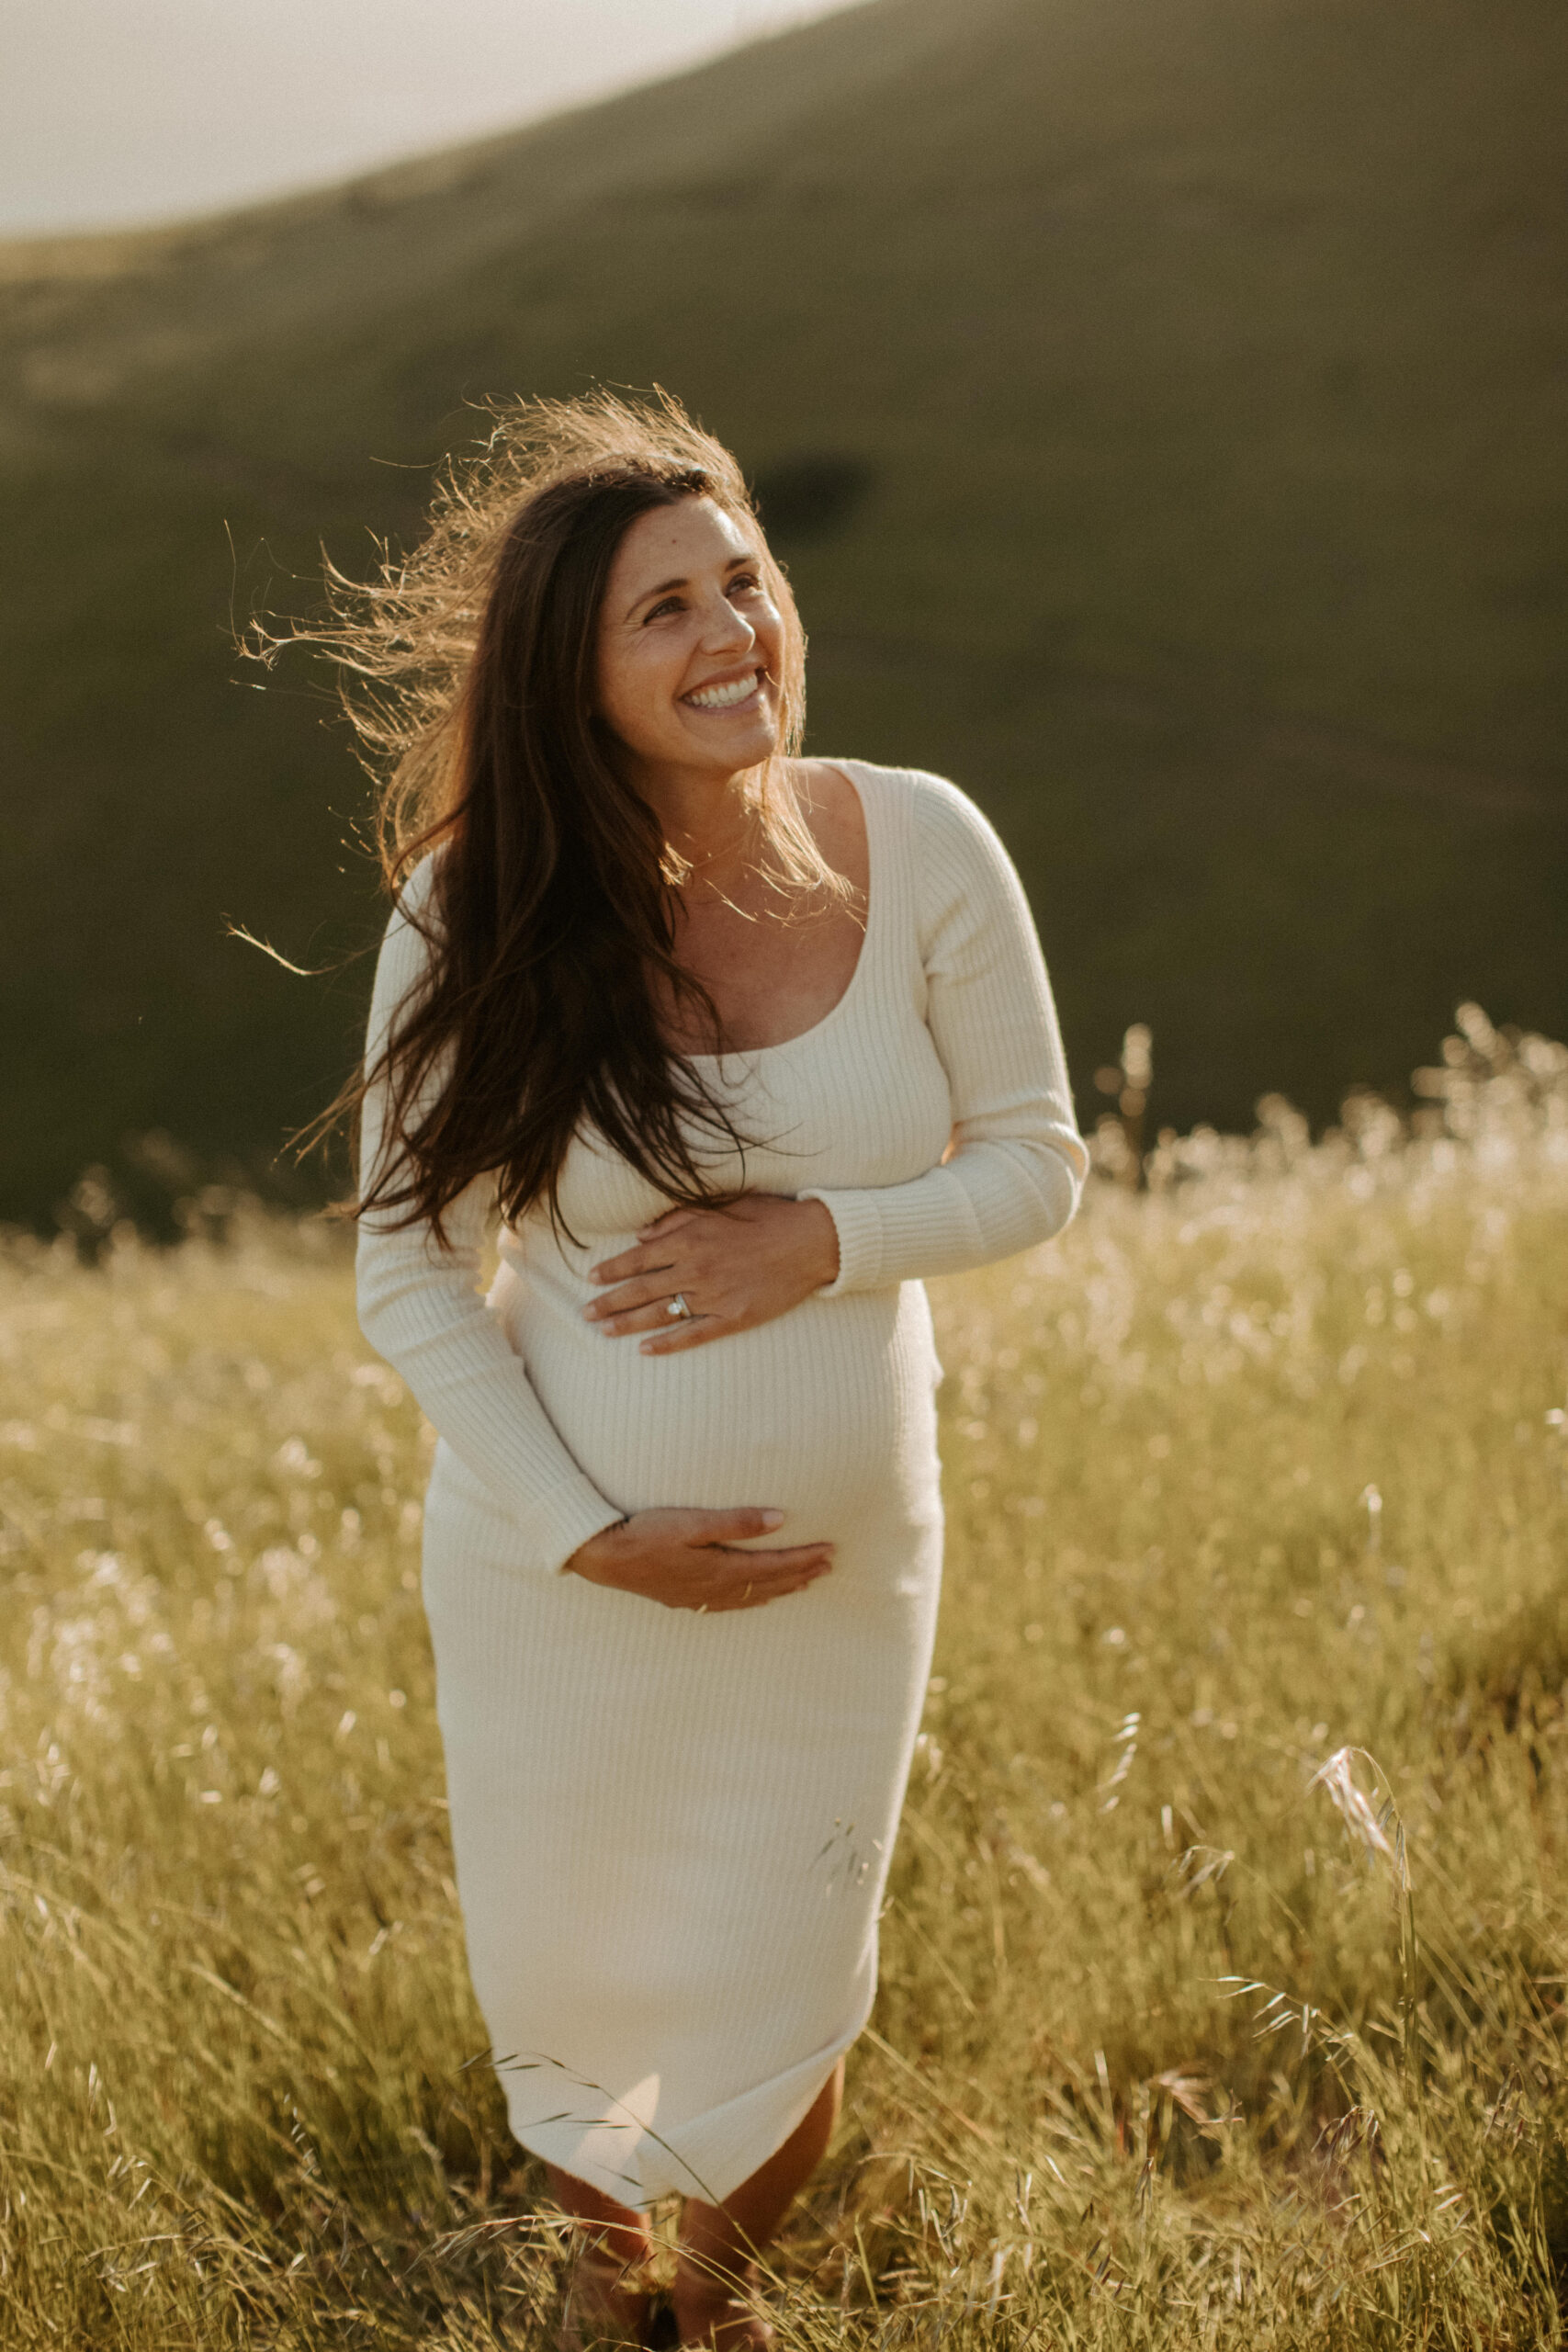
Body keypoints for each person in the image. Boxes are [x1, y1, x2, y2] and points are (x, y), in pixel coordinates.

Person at [335, 390, 1087, 2347]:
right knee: (587, 1966)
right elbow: (404, 1265)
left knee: (784, 1961)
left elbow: (1035, 1161)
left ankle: (718, 2294)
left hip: (835, 1569)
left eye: (740, 581)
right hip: (557, 1572)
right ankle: (619, 2292)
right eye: (660, 610)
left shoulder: (916, 839)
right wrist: (588, 1531)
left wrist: (819, 1237)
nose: (728, 633)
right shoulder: (474, 899)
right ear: (570, 677)